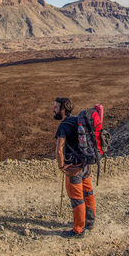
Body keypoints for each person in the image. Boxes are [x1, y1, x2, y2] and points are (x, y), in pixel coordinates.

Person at [53, 97, 96, 238]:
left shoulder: (63, 126)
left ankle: (78, 229)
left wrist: (62, 166)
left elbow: (59, 150)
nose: (53, 109)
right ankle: (90, 222)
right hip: (85, 164)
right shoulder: (79, 121)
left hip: (73, 168)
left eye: (56, 107)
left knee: (77, 198)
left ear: (63, 109)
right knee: (88, 193)